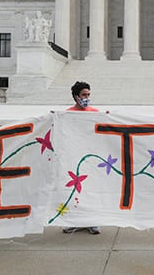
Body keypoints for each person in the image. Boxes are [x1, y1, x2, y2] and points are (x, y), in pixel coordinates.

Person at [62, 81, 101, 235]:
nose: (87, 98)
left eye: (88, 95)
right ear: (75, 96)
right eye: (84, 95)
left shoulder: (95, 113)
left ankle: (92, 221)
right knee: (75, 190)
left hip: (91, 157)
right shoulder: (67, 114)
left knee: (92, 189)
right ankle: (74, 221)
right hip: (74, 156)